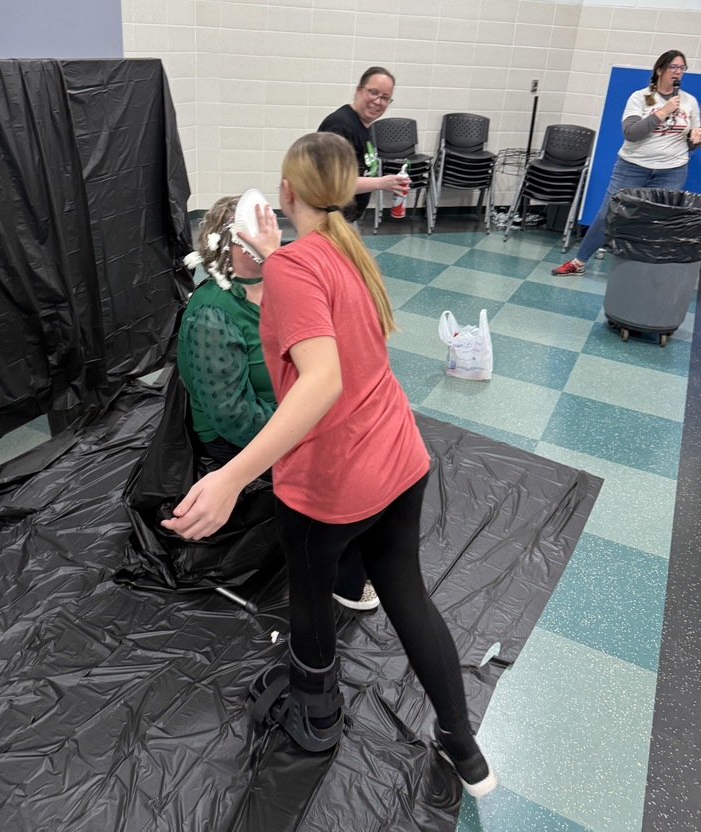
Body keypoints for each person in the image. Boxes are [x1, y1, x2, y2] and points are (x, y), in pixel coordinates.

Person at [162, 135, 496, 798]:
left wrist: (229, 478)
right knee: (408, 593)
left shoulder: (290, 270)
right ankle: (463, 743)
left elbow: (321, 383)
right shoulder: (344, 249)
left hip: (334, 480)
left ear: (288, 195)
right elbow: (304, 284)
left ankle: (315, 710)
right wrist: (271, 254)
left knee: (309, 600)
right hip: (400, 458)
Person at [177, 194, 379, 610]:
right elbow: (233, 417)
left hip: (290, 413)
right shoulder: (212, 314)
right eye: (246, 237)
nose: (263, 242)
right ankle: (344, 579)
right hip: (242, 436)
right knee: (347, 469)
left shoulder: (279, 281)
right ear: (223, 245)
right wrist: (309, 428)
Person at [553, 50, 701, 276]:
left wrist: (695, 140)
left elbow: (690, 141)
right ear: (660, 70)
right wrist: (663, 111)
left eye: (682, 68)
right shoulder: (640, 97)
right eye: (674, 67)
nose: (678, 72)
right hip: (632, 166)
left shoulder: (689, 102)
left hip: (671, 170)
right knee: (608, 215)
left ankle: (640, 273)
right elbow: (631, 133)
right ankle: (578, 262)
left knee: (655, 222)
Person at [318, 66, 411, 221]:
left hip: (346, 219)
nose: (378, 101)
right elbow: (336, 182)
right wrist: (381, 183)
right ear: (359, 90)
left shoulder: (365, 124)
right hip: (328, 220)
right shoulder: (340, 125)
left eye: (385, 97)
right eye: (373, 92)